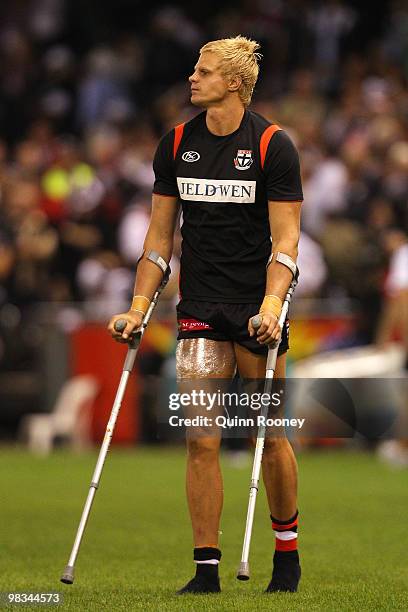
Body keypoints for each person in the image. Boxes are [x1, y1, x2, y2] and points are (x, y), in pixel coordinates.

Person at [108, 35, 303, 594]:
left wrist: (272, 306)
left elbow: (287, 244)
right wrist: (138, 307)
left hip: (254, 309)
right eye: (196, 69)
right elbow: (158, 241)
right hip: (197, 308)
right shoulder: (175, 144)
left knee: (268, 434)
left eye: (204, 71)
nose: (193, 78)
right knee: (201, 439)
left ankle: (286, 556)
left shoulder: (271, 146)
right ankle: (206, 571)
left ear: (234, 85)